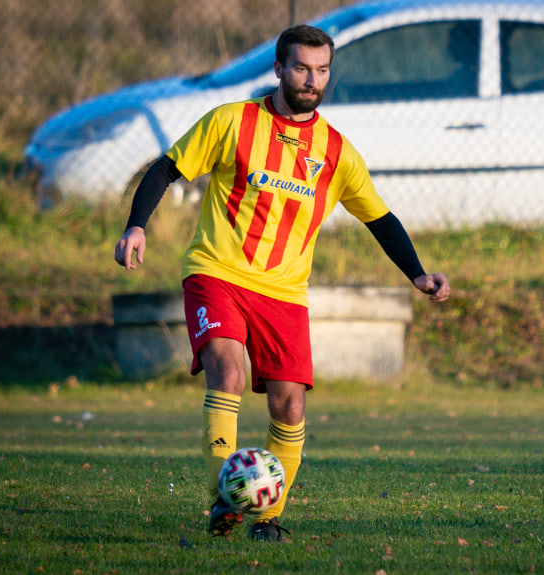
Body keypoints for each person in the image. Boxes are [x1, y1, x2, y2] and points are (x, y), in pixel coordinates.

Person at [114, 24, 450, 542]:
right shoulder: (232, 121)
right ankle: (223, 499)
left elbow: (379, 219)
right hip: (217, 271)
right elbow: (166, 168)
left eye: (321, 70)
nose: (311, 80)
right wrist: (137, 224)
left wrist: (418, 274)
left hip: (284, 291)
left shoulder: (336, 152)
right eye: (300, 68)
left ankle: (267, 519)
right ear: (278, 68)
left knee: (290, 404)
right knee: (226, 372)